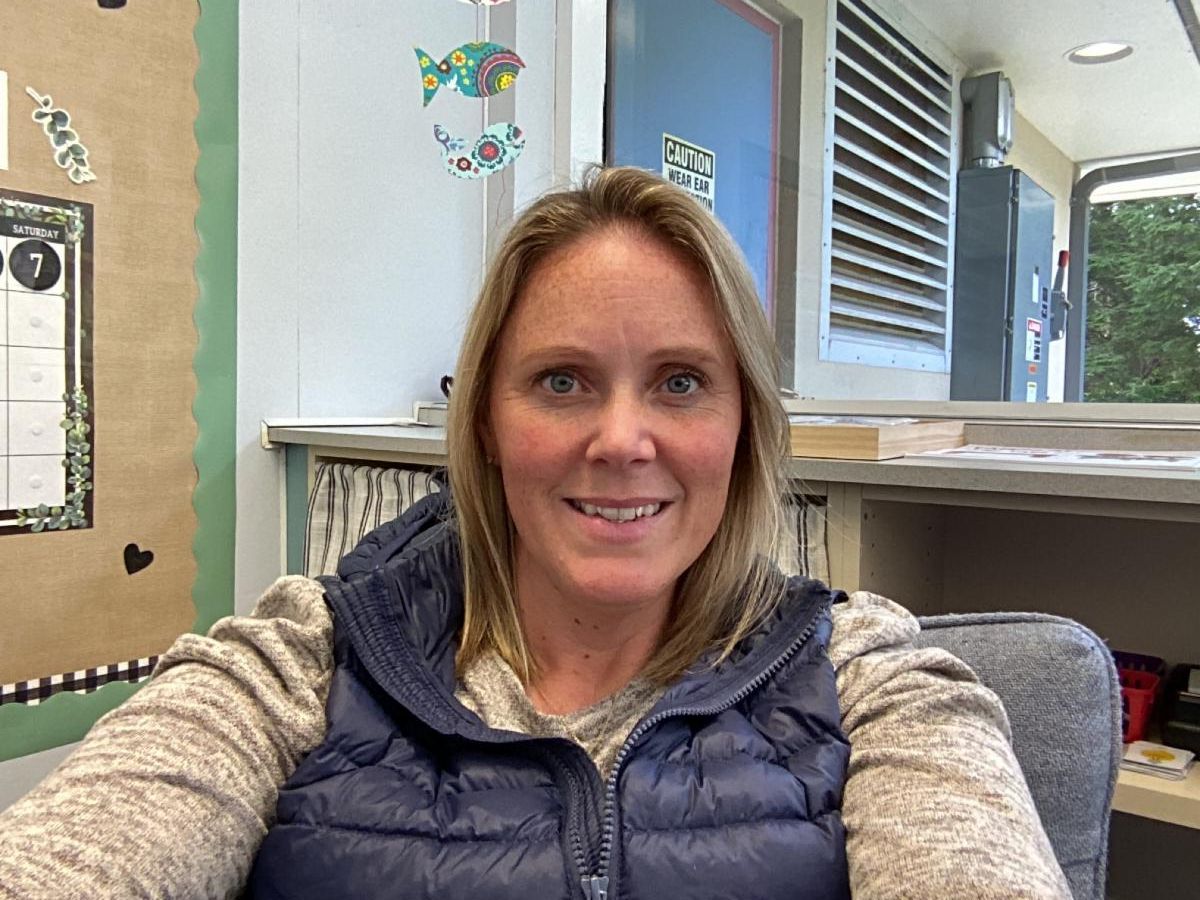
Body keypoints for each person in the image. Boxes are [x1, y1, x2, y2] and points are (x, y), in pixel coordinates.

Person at [0, 167, 1070, 899]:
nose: (622, 440)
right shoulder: (299, 661)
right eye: (562, 381)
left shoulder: (871, 676)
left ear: (743, 424)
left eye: (681, 382)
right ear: (485, 422)